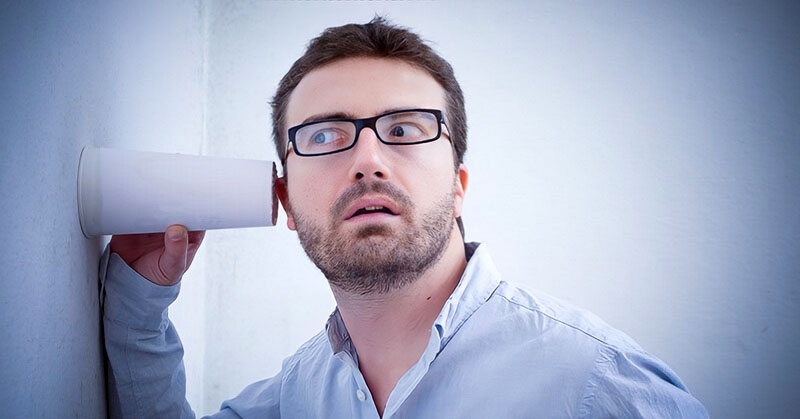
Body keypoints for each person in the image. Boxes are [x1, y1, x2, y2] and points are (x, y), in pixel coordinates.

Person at [101, 17, 709, 418]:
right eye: (325, 135)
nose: (368, 161)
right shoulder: (299, 396)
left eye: (403, 130)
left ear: (460, 186)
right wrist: (137, 301)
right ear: (284, 200)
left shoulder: (598, 386)